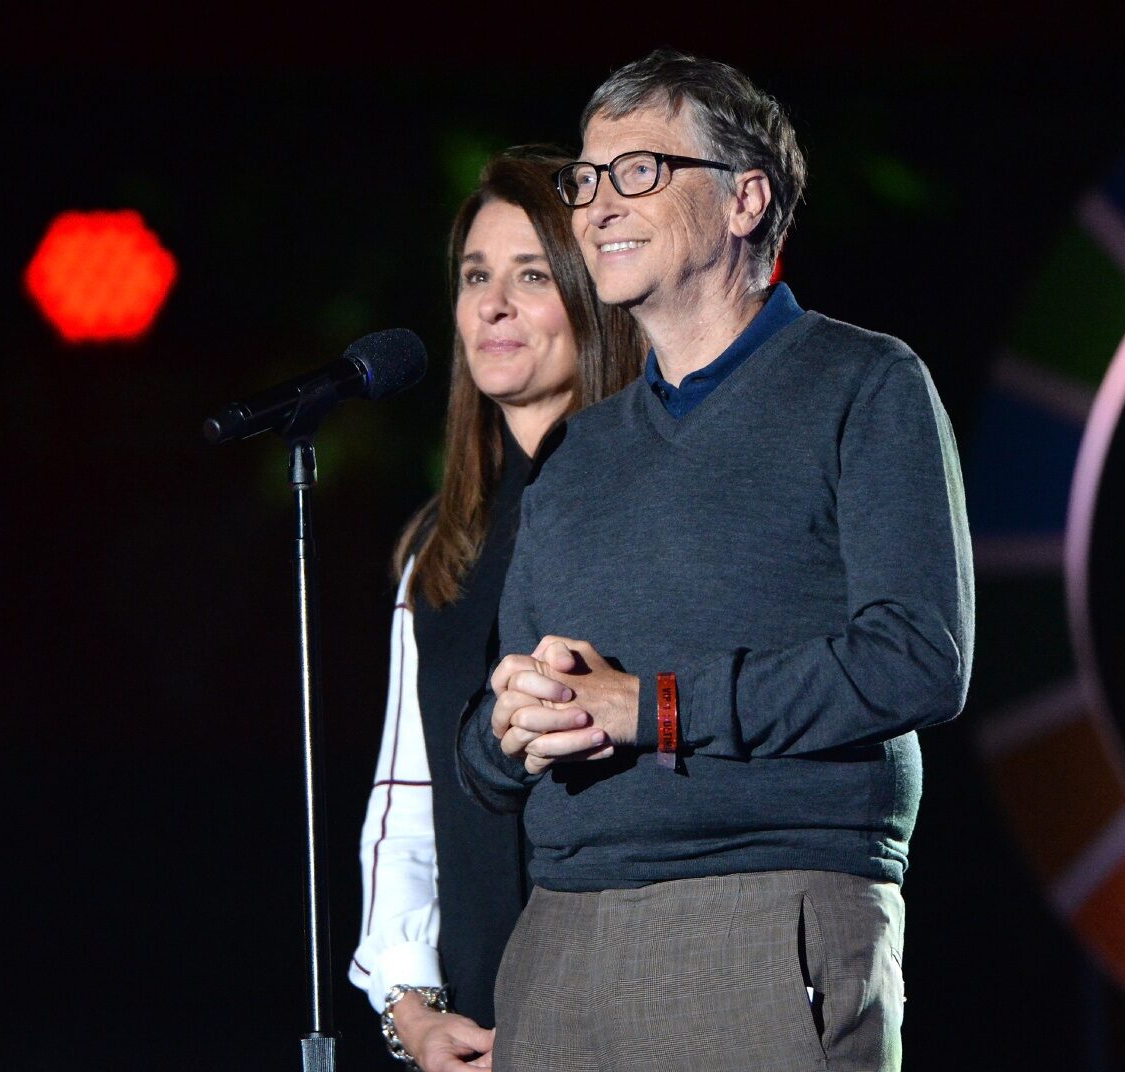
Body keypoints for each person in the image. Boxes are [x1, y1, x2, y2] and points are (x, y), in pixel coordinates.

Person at [457, 51, 974, 1072]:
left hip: (761, 914)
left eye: (637, 171)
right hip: (558, 940)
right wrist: (506, 731)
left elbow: (919, 655)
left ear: (745, 199)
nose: (597, 204)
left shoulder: (863, 385)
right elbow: (490, 743)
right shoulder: (578, 452)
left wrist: (651, 708)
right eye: (585, 180)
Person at [349, 150, 642, 1072]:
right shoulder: (440, 547)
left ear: (592, 301)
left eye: (531, 276)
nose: (493, 305)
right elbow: (405, 804)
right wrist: (413, 1014)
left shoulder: (649, 507)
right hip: (481, 1024)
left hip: (626, 1002)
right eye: (477, 276)